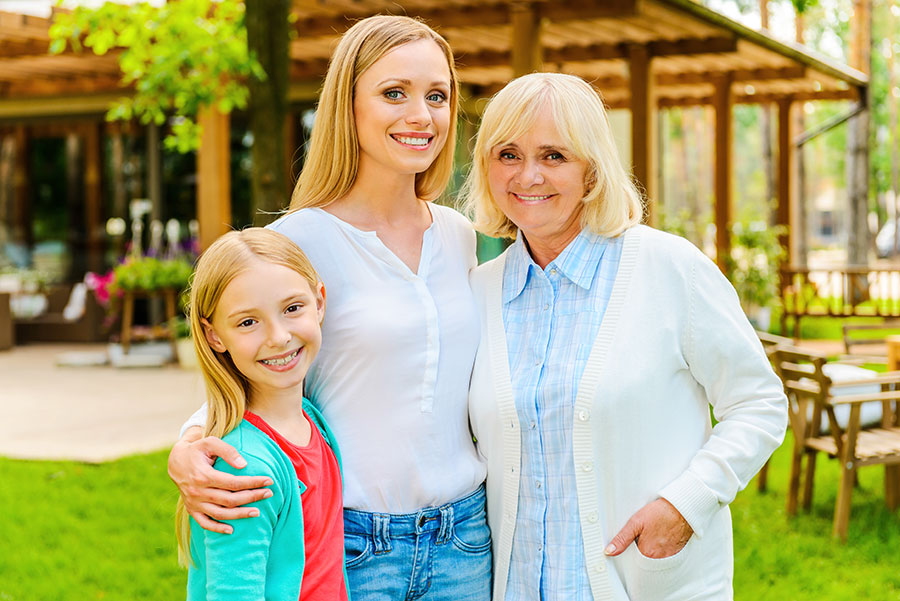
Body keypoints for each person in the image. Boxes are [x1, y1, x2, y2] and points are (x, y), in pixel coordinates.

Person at [168, 15, 491, 601]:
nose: (421, 115)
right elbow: (257, 355)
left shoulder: (460, 236)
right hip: (351, 544)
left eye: (437, 96)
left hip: (466, 539)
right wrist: (189, 446)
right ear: (349, 105)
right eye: (394, 93)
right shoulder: (303, 240)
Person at [462, 72, 788, 601]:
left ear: (592, 172)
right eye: (507, 154)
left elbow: (760, 402)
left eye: (553, 156)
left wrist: (685, 504)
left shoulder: (668, 268)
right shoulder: (478, 291)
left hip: (637, 583)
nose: (528, 175)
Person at [178, 228, 348, 600]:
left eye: (291, 309)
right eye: (247, 322)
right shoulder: (244, 468)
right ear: (214, 336)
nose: (279, 336)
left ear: (319, 301)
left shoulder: (311, 421)